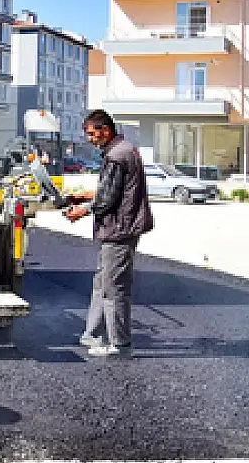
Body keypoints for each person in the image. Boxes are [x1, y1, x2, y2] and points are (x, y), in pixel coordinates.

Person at [65, 109, 154, 359]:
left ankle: (120, 344)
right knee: (102, 283)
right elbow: (114, 190)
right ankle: (92, 333)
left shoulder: (116, 156)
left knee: (114, 287)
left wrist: (81, 210)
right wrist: (84, 196)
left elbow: (107, 199)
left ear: (105, 130)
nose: (90, 139)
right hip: (119, 227)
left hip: (120, 230)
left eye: (92, 134)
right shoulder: (122, 150)